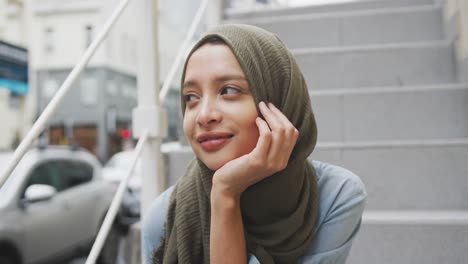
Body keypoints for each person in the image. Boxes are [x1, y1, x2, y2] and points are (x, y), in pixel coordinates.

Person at [142, 24, 367, 264]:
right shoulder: (166, 216)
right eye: (191, 97)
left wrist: (225, 193)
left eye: (229, 90)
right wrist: (225, 192)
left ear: (279, 101)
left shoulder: (334, 196)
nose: (203, 115)